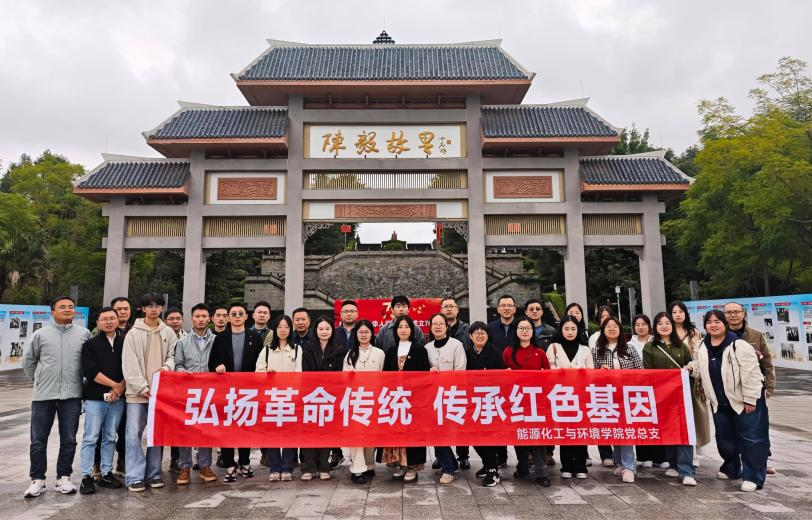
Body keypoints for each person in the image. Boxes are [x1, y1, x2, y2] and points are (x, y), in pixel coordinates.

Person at [22, 296, 91, 498]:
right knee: (38, 439)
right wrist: (39, 380)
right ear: (52, 312)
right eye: (62, 307)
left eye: (71, 307)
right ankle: (37, 479)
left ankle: (64, 477)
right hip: (44, 395)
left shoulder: (84, 334)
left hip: (72, 394)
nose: (68, 309)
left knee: (69, 438)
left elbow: (88, 362)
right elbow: (28, 361)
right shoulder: (40, 335)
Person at [694, 309, 768, 492]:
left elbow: (752, 373)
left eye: (717, 321)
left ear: (725, 324)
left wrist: (751, 399)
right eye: (709, 322)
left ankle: (753, 476)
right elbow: (700, 366)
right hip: (719, 402)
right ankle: (731, 467)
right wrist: (691, 368)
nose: (713, 325)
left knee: (751, 439)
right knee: (725, 439)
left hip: (744, 401)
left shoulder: (739, 345)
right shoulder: (702, 345)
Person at [122, 293, 177, 492]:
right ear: (143, 309)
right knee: (133, 435)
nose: (154, 309)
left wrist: (167, 367)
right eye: (150, 306)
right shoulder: (133, 333)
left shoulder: (168, 332)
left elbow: (173, 355)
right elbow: (129, 363)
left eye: (158, 306)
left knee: (156, 435)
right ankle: (134, 476)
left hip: (160, 393)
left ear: (162, 308)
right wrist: (142, 387)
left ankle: (154, 474)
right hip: (137, 394)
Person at [208, 303, 262, 482]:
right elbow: (212, 362)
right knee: (227, 428)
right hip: (226, 391)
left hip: (248, 391)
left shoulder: (255, 337)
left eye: (240, 313)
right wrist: (217, 366)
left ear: (246, 316)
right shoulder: (220, 338)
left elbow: (261, 362)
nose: (237, 316)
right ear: (228, 317)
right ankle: (230, 465)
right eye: (234, 314)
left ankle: (245, 462)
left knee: (245, 427)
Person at [642, 313, 697, 486]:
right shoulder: (650, 347)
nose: (664, 326)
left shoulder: (682, 346)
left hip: (682, 396)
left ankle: (686, 470)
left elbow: (691, 366)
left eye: (667, 323)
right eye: (660, 323)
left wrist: (689, 367)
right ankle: (673, 464)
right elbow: (648, 374)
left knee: (684, 431)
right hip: (662, 396)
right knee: (669, 430)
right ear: (655, 327)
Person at [724, 301, 776, 473]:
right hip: (730, 389)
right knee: (731, 428)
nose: (733, 315)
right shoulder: (720, 335)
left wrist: (769, 386)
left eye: (736, 311)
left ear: (743, 313)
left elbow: (767, 362)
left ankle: (763, 460)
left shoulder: (755, 335)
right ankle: (735, 463)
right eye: (729, 312)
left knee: (758, 427)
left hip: (753, 388)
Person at [78, 307, 126, 495]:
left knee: (110, 436)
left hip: (118, 398)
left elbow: (131, 367)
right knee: (91, 437)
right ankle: (86, 475)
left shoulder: (126, 342)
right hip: (95, 398)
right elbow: (91, 371)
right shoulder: (90, 345)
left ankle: (107, 472)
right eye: (104, 319)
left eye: (112, 318)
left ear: (117, 320)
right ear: (97, 323)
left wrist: (120, 388)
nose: (109, 322)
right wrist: (115, 386)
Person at [592, 316, 643, 483]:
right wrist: (600, 371)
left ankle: (629, 466)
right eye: (608, 326)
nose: (612, 328)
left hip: (627, 395)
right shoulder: (597, 350)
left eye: (615, 326)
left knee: (626, 429)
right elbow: (591, 373)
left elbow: (640, 370)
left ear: (620, 329)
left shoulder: (629, 348)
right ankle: (620, 462)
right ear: (603, 330)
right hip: (607, 396)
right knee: (615, 430)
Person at [380, 315, 430, 483]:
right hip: (395, 399)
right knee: (398, 431)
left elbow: (424, 376)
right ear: (396, 330)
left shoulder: (420, 350)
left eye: (406, 327)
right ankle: (399, 464)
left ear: (412, 330)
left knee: (413, 432)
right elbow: (385, 376)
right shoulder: (391, 350)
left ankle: (412, 466)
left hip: (414, 399)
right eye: (400, 327)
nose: (403, 330)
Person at [502, 317, 551, 487]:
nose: (524, 331)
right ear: (515, 331)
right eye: (521, 328)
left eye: (528, 328)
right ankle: (522, 466)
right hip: (516, 401)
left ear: (532, 331)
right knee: (520, 435)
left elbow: (548, 376)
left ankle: (541, 472)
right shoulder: (508, 352)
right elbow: (500, 376)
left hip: (536, 403)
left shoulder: (539, 352)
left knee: (537, 437)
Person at [173, 303, 217, 485]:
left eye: (204, 316)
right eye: (197, 316)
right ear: (192, 319)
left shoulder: (216, 340)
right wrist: (182, 371)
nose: (200, 319)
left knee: (206, 429)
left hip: (210, 392)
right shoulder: (182, 342)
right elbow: (177, 364)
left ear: (210, 319)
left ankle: (205, 465)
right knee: (186, 429)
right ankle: (184, 466)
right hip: (188, 392)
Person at [546, 316, 593, 480]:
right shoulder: (554, 347)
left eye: (573, 329)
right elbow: (548, 371)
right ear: (561, 330)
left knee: (580, 431)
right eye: (566, 329)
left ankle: (580, 466)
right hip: (561, 396)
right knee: (565, 431)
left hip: (581, 396)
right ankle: (566, 465)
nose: (570, 332)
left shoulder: (585, 349)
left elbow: (591, 372)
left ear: (578, 330)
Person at [256, 314, 301, 482]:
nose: (283, 330)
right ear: (275, 329)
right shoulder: (267, 350)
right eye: (280, 327)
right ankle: (274, 468)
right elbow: (258, 372)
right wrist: (266, 374)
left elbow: (300, 373)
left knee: (290, 433)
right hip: (271, 397)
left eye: (286, 327)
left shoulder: (297, 349)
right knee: (271, 434)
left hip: (290, 397)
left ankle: (287, 467)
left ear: (291, 329)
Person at [424, 313, 467, 485]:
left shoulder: (456, 345)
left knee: (445, 433)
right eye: (434, 323)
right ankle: (450, 464)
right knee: (436, 432)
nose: (438, 326)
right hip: (433, 397)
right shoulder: (427, 347)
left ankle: (449, 468)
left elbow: (460, 370)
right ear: (431, 327)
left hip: (451, 395)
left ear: (446, 326)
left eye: (441, 323)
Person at [301, 316, 344, 481]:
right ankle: (309, 467)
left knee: (326, 431)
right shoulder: (308, 348)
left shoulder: (338, 349)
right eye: (321, 329)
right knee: (309, 432)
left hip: (329, 396)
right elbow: (305, 372)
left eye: (327, 329)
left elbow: (339, 374)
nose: (324, 332)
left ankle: (324, 466)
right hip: (311, 396)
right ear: (316, 331)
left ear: (332, 331)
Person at [344, 320, 386, 484]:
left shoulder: (379, 353)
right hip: (355, 400)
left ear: (372, 333)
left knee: (370, 434)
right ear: (356, 334)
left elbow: (384, 376)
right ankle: (357, 469)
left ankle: (368, 465)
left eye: (366, 332)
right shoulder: (350, 354)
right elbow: (344, 379)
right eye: (360, 332)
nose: (363, 335)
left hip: (373, 399)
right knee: (356, 435)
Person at [465, 322, 506, 487]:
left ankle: (492, 471)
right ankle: (488, 463)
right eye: (476, 333)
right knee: (472, 436)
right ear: (470, 336)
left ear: (488, 336)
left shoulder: (494, 352)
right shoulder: (467, 353)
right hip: (473, 401)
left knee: (487, 436)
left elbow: (502, 374)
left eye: (483, 333)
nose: (480, 335)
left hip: (490, 400)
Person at [670, 301, 711, 460]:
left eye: (681, 311)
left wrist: (692, 368)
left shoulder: (693, 332)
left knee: (693, 413)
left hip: (691, 377)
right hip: (672, 379)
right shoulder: (667, 330)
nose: (678, 315)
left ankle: (694, 450)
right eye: (674, 312)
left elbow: (699, 354)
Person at [627, 314, 667, 470]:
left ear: (649, 326)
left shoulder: (657, 341)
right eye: (637, 324)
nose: (640, 327)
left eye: (643, 324)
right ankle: (643, 456)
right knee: (640, 420)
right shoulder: (629, 344)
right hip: (637, 388)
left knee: (657, 421)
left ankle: (660, 457)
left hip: (657, 387)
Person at [440, 296, 472, 468]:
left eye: (451, 306)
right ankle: (443, 454)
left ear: (457, 310)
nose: (449, 309)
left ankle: (463, 455)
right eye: (445, 306)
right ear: (441, 310)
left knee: (460, 419)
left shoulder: (466, 330)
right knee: (442, 420)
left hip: (461, 381)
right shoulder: (437, 328)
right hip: (441, 384)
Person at [108, 296, 133, 476]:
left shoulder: (136, 330)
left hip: (130, 387)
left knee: (127, 428)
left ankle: (123, 461)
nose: (122, 312)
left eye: (126, 308)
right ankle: (100, 466)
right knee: (105, 430)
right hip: (108, 387)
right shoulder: (103, 330)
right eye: (119, 309)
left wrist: (124, 384)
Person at [589, 305, 616, 466]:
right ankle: (606, 454)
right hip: (601, 387)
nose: (605, 319)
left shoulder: (622, 342)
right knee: (602, 419)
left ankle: (620, 455)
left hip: (619, 388)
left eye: (608, 316)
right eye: (602, 317)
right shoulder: (594, 339)